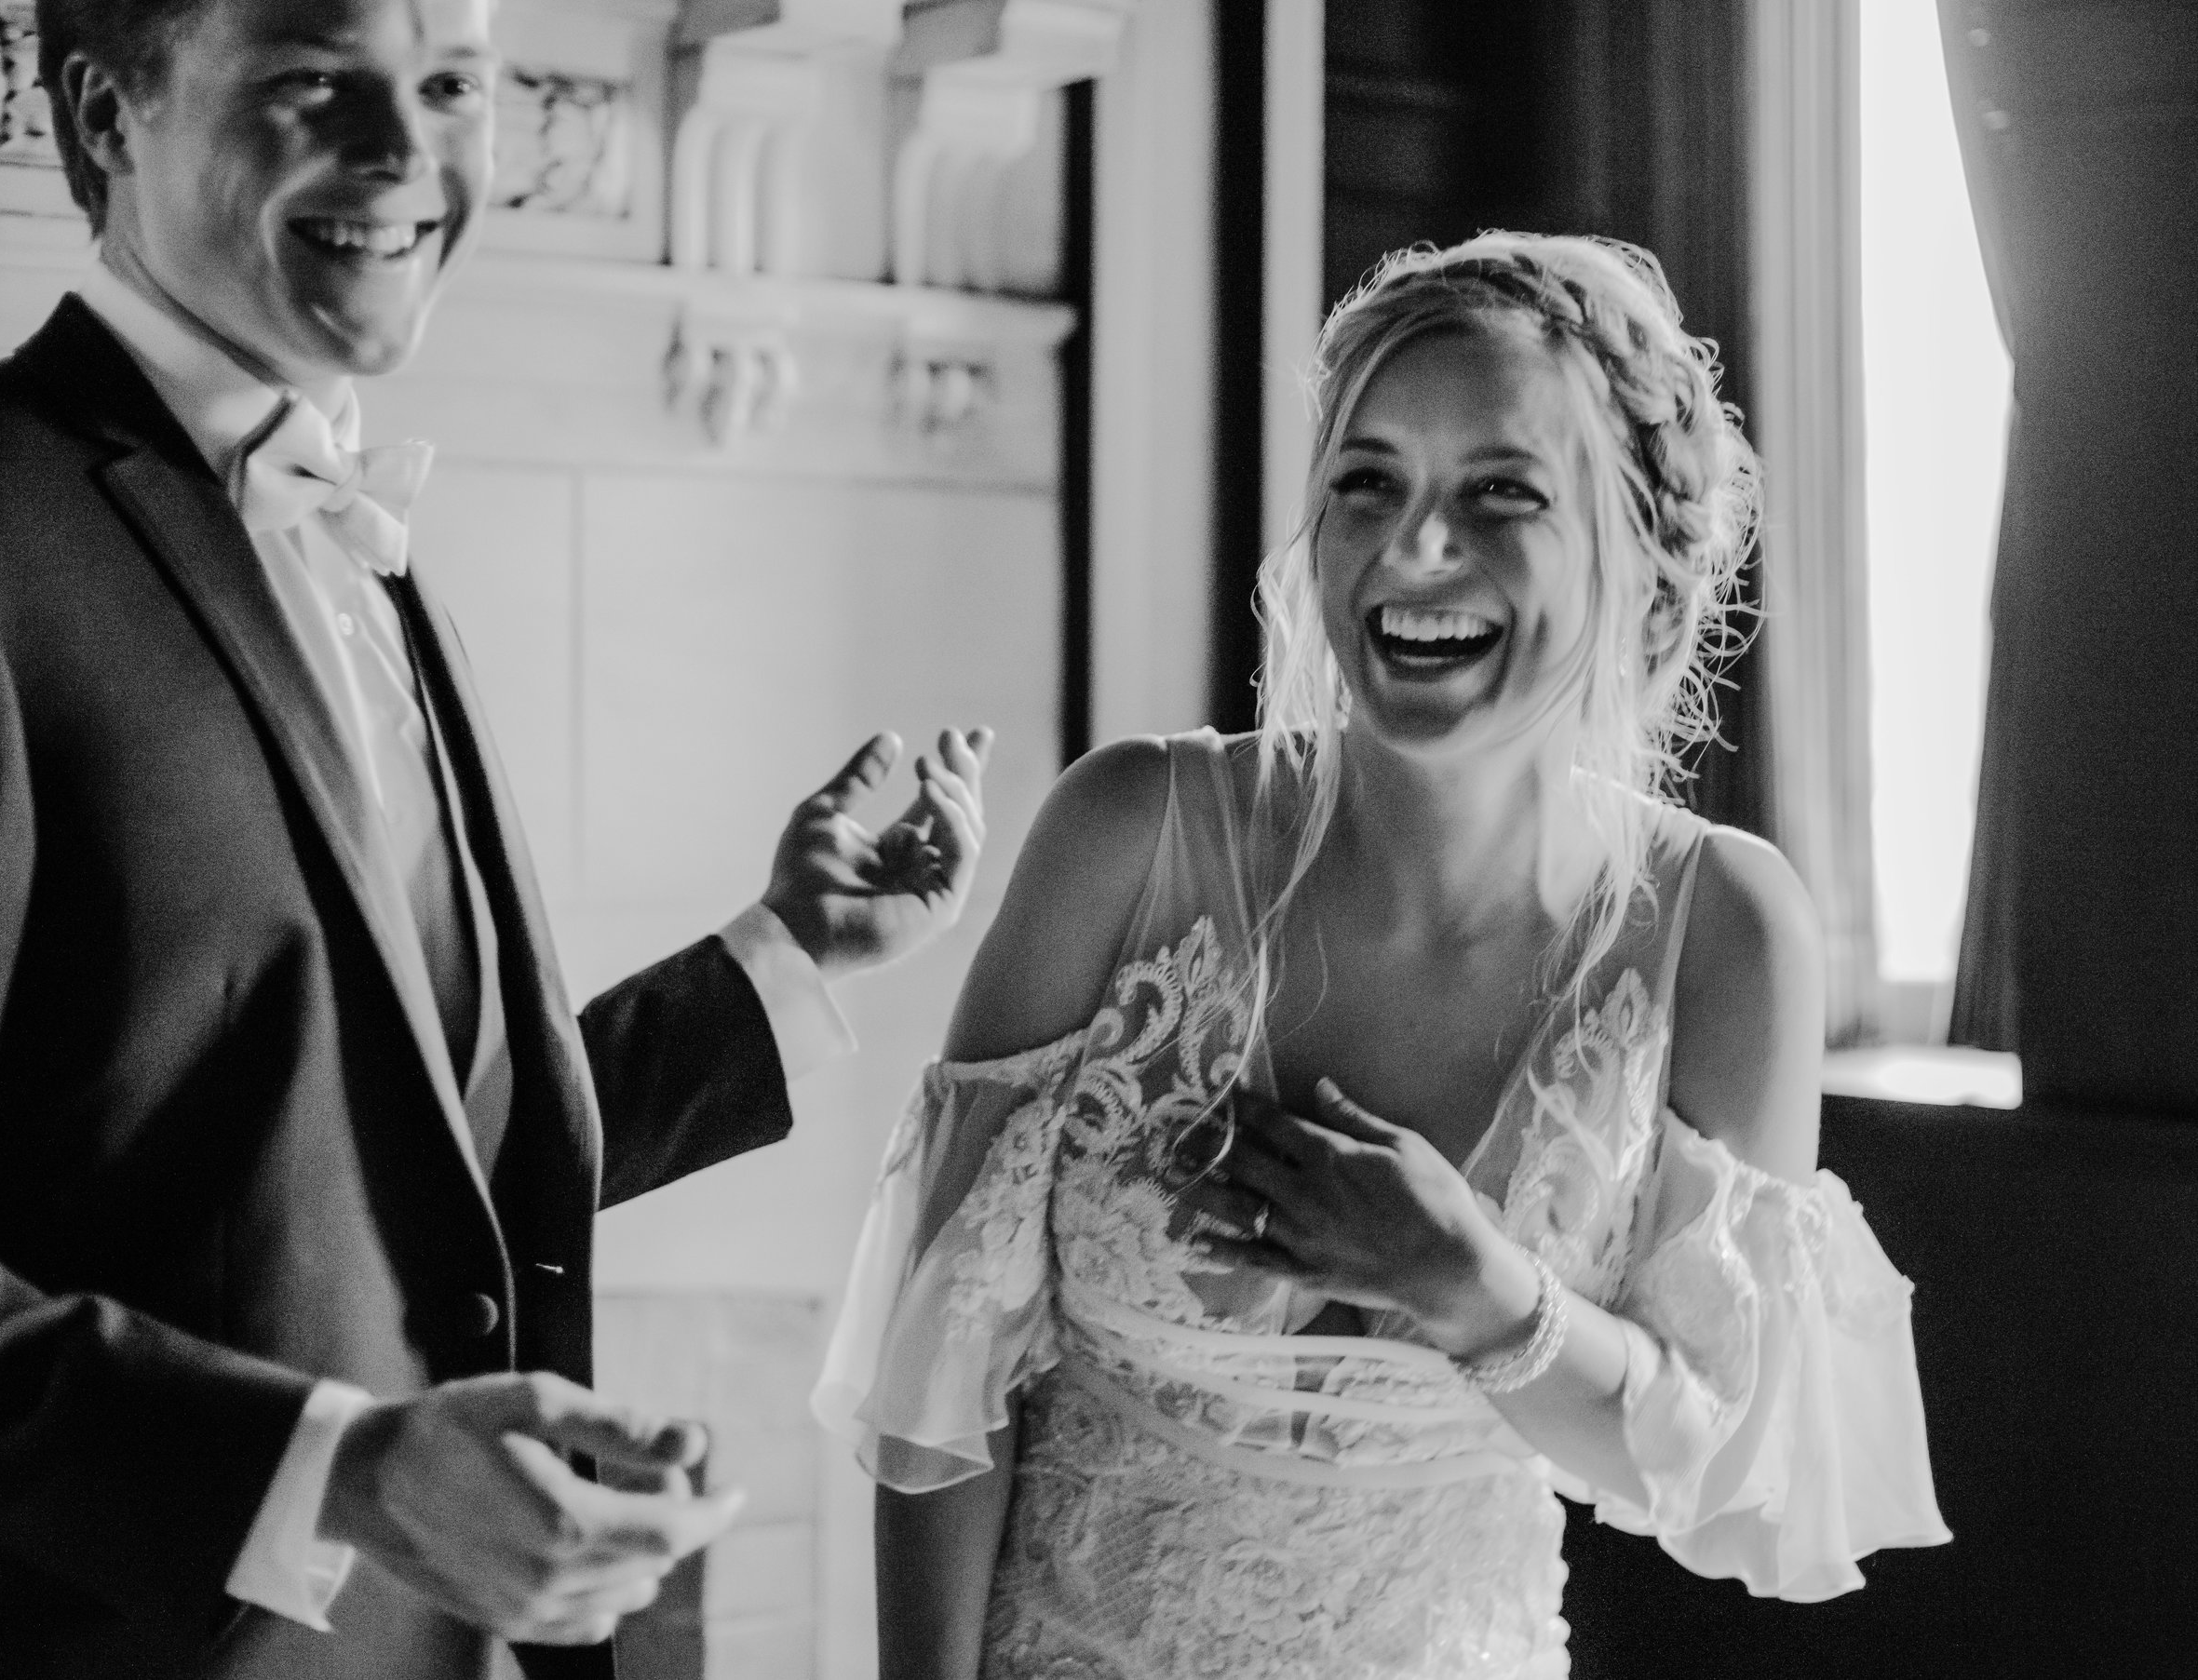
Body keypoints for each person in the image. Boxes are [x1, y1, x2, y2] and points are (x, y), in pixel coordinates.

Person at [0, 0, 994, 1676]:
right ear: (106, 111)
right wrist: (336, 1473)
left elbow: (368, 1160)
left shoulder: (366, 559)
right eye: (324, 81)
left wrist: (788, 958)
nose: (411, 158)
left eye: (459, 86)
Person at [816, 232, 1949, 1679]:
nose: (1416, 550)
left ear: (1639, 561)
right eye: (1369, 483)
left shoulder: (1723, 933)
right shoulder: (1125, 837)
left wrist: (1481, 1289)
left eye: (1500, 492)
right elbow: (943, 1369)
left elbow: (1727, 1469)